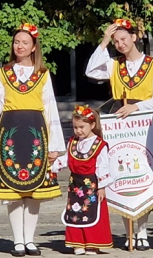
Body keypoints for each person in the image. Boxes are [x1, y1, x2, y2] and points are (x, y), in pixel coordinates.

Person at [0, 23, 64, 257]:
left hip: (36, 133)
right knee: (13, 191)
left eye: (25, 42)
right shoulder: (4, 73)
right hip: (10, 135)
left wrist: (55, 146)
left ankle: (30, 240)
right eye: (17, 42)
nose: (20, 46)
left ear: (34, 46)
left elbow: (50, 109)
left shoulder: (43, 74)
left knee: (33, 190)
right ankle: (17, 241)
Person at [85, 18, 153, 251]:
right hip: (118, 127)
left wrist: (136, 106)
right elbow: (92, 70)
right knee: (121, 177)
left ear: (134, 37)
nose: (120, 44)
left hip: (144, 124)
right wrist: (103, 42)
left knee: (143, 175)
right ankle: (129, 231)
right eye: (116, 41)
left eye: (123, 39)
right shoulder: (113, 65)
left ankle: (143, 231)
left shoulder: (152, 65)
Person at [52, 105, 112, 255]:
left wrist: (102, 187)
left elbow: (102, 166)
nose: (78, 130)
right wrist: (52, 166)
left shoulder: (99, 145)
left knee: (92, 212)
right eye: (75, 127)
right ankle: (77, 243)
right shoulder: (73, 142)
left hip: (92, 184)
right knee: (75, 212)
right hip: (75, 185)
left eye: (82, 127)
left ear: (92, 125)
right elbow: (66, 159)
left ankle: (93, 243)